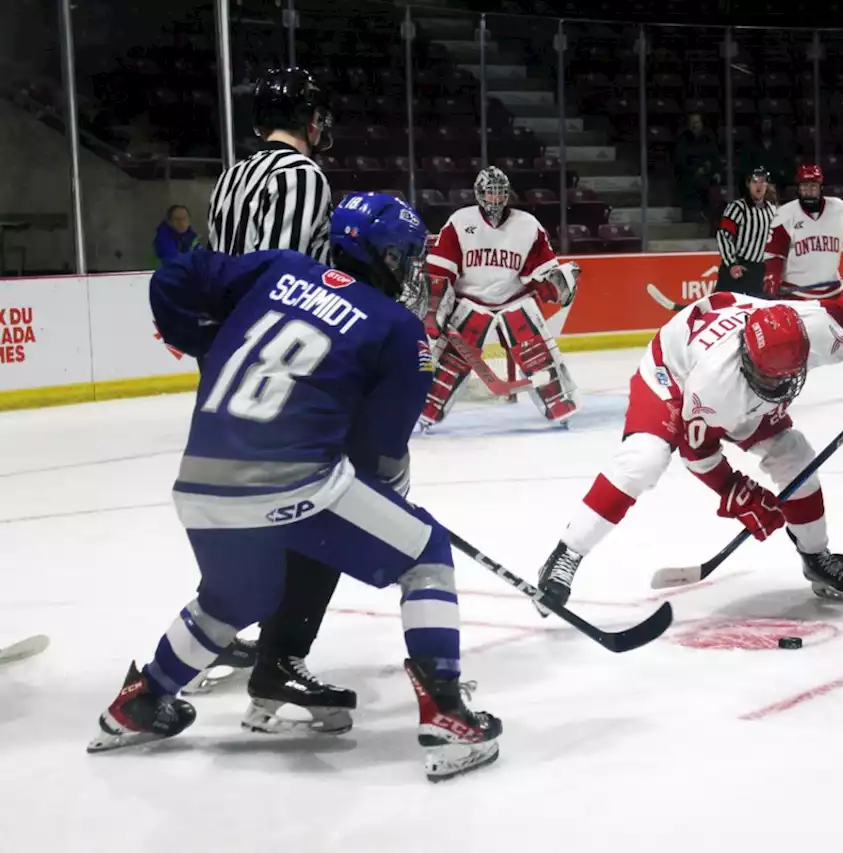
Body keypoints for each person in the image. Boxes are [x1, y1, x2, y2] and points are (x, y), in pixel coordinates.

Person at [87, 193, 503, 782]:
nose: (411, 270)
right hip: (291, 481)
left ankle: (139, 703)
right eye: (407, 257)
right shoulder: (399, 331)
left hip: (199, 479)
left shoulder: (277, 268)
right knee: (425, 553)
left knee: (234, 599)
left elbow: (177, 273)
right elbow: (376, 459)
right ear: (386, 256)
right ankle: (448, 717)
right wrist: (387, 498)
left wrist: (205, 338)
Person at [535, 287, 843, 608]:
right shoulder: (717, 385)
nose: (781, 390)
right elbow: (697, 452)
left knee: (795, 455)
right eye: (772, 380)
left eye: (789, 378)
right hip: (671, 374)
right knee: (642, 461)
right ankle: (567, 552)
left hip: (725, 367)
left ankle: (815, 556)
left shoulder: (812, 328)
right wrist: (735, 491)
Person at [199, 66, 352, 731]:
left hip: (227, 363)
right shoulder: (302, 176)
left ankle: (198, 644)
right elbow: (290, 283)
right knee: (319, 512)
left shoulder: (230, 176)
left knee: (254, 512)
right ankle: (280, 659)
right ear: (306, 115)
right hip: (279, 369)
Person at [418, 165, 580, 427]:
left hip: (514, 298)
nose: (495, 199)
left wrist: (558, 283)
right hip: (469, 300)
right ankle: (429, 410)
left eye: (499, 193)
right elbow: (440, 269)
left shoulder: (527, 224)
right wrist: (435, 307)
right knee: (450, 361)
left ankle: (560, 405)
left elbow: (541, 270)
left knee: (538, 353)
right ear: (479, 193)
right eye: (490, 193)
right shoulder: (461, 221)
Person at [763, 163, 843, 391]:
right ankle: (778, 383)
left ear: (820, 187)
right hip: (796, 293)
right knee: (787, 342)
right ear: (798, 188)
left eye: (813, 186)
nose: (809, 191)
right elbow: (774, 252)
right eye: (804, 187)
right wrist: (772, 275)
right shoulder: (786, 214)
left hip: (832, 291)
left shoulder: (840, 209)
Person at [714, 167, 776, 298]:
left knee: (754, 312)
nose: (758, 186)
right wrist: (731, 264)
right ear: (748, 184)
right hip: (737, 267)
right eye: (755, 182)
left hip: (757, 270)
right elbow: (723, 236)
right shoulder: (737, 208)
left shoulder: (772, 210)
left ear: (767, 184)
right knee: (724, 309)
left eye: (762, 181)